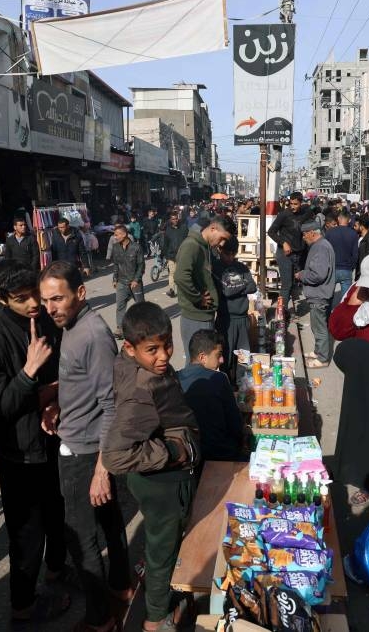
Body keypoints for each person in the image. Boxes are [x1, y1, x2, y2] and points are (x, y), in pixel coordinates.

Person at [38, 262, 132, 632]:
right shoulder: (72, 327)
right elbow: (83, 382)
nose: (51, 308)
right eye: (46, 301)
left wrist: (101, 470)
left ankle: (100, 619)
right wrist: (60, 404)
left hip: (86, 451)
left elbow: (112, 405)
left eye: (58, 298)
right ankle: (121, 586)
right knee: (110, 520)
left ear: (80, 293)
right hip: (82, 440)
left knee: (80, 536)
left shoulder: (92, 334)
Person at [0, 261, 68, 622]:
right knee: (27, 536)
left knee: (59, 515)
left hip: (56, 439)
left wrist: (55, 398)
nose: (33, 304)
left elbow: (66, 375)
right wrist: (30, 372)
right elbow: (1, 411)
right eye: (21, 298)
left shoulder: (48, 321)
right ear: (1, 299)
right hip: (19, 454)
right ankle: (23, 606)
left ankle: (58, 571)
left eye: (35, 294)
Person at [101, 302, 200, 632]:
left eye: (167, 345)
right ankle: (155, 619)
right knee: (164, 550)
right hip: (164, 485)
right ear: (130, 348)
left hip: (154, 480)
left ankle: (156, 589)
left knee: (160, 542)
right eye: (152, 350)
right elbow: (115, 456)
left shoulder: (130, 364)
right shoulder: (142, 391)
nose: (164, 356)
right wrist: (171, 450)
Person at [177, 329, 244, 462]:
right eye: (218, 355)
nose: (222, 360)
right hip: (220, 454)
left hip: (189, 454)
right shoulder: (219, 379)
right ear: (202, 357)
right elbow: (235, 424)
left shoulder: (175, 378)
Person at [174, 216, 232, 361]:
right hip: (195, 316)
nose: (222, 243)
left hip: (204, 315)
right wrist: (197, 298)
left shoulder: (204, 246)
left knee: (205, 362)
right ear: (213, 229)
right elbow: (180, 276)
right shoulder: (191, 245)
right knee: (197, 362)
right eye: (222, 238)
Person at [295, 220, 336, 368]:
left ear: (312, 233)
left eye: (304, 234)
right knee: (316, 325)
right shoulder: (320, 245)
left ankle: (323, 358)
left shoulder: (321, 247)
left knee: (319, 327)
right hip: (319, 293)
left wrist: (302, 275)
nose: (303, 237)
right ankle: (318, 351)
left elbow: (318, 274)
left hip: (320, 293)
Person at [214, 238, 257, 375]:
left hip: (243, 318)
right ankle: (227, 383)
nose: (230, 257)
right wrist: (243, 284)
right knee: (226, 357)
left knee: (243, 356)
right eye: (227, 254)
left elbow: (253, 286)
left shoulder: (241, 267)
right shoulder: (216, 267)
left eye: (233, 254)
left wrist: (234, 286)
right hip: (226, 319)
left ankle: (241, 382)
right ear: (220, 250)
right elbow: (226, 290)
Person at [267, 192, 312, 308]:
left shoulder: (306, 213)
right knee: (286, 284)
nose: (293, 206)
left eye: (295, 204)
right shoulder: (284, 215)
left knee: (296, 283)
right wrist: (283, 243)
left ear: (301, 203)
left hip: (299, 253)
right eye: (291, 203)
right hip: (285, 254)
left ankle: (292, 309)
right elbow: (271, 232)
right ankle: (282, 312)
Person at [110, 224, 146, 339]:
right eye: (115, 235)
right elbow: (116, 264)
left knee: (140, 306)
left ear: (124, 234)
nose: (115, 237)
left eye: (117, 235)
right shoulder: (115, 247)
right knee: (120, 305)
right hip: (121, 282)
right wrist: (115, 279)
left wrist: (136, 279)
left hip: (135, 282)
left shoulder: (136, 247)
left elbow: (141, 265)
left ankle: (143, 327)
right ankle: (120, 329)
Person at [326, 212, 360, 307]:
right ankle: (343, 314)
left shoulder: (330, 232)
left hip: (332, 268)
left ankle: (327, 315)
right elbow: (355, 254)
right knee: (345, 299)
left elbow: (325, 251)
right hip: (346, 269)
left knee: (328, 297)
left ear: (338, 219)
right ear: (349, 220)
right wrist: (351, 267)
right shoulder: (353, 234)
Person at [354, 214, 369, 279]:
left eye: (356, 225)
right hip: (359, 273)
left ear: (362, 227)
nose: (354, 227)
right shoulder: (359, 238)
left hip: (366, 275)